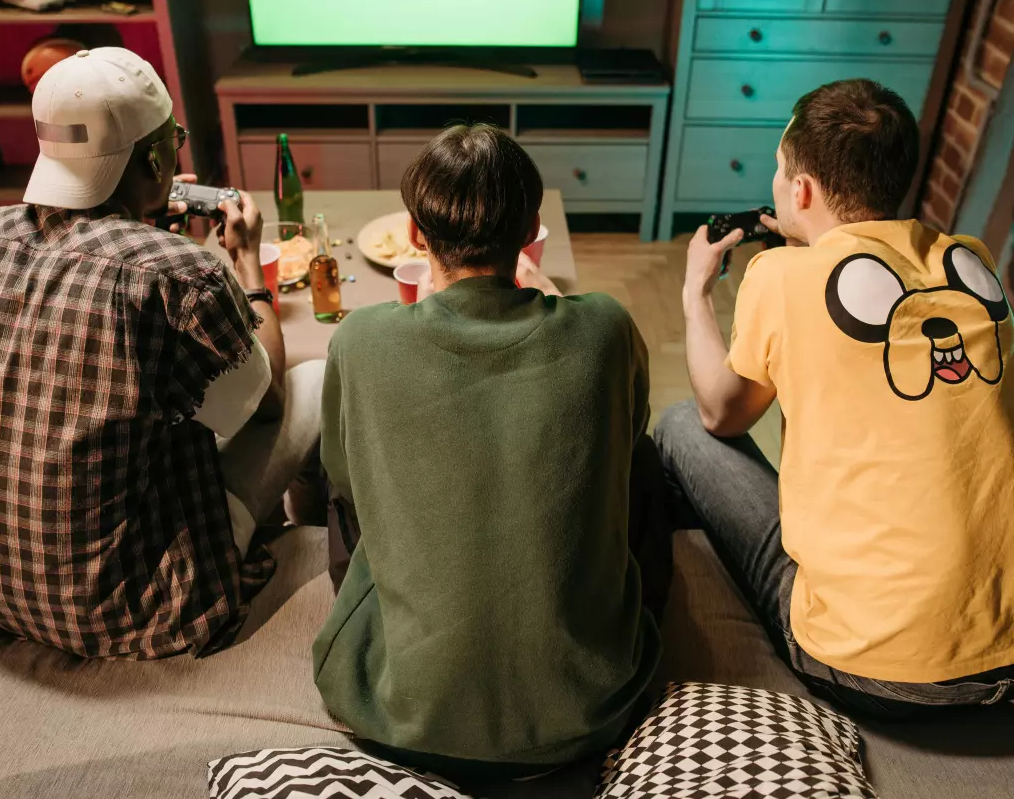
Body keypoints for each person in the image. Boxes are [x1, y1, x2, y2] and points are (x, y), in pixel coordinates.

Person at [0, 47, 323, 659]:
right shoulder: (178, 275)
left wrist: (143, 230)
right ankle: (308, 534)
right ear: (158, 157)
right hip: (126, 603)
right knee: (311, 378)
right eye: (173, 141)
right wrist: (244, 264)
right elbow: (264, 405)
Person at [313, 124, 667, 779]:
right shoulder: (607, 328)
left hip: (399, 714)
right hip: (591, 711)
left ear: (416, 237)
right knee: (639, 455)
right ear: (534, 230)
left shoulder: (359, 340)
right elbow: (631, 421)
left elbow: (343, 482)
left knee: (349, 488)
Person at [657, 78, 1014, 717]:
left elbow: (722, 410)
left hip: (868, 668)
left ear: (801, 191)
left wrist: (694, 291)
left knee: (683, 425)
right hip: (1005, 657)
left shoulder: (778, 277)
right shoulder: (974, 265)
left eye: (778, 169)